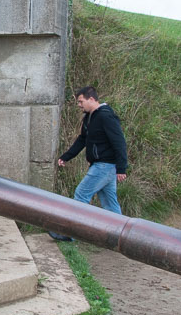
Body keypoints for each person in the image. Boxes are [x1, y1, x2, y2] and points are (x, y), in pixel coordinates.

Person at [49, 86, 128, 242]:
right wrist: (66, 156)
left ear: (91, 99)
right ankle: (120, 238)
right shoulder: (89, 118)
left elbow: (119, 142)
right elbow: (82, 140)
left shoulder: (106, 116)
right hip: (102, 166)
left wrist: (121, 168)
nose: (79, 105)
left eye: (81, 101)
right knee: (109, 202)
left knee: (81, 194)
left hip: (105, 166)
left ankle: (70, 233)